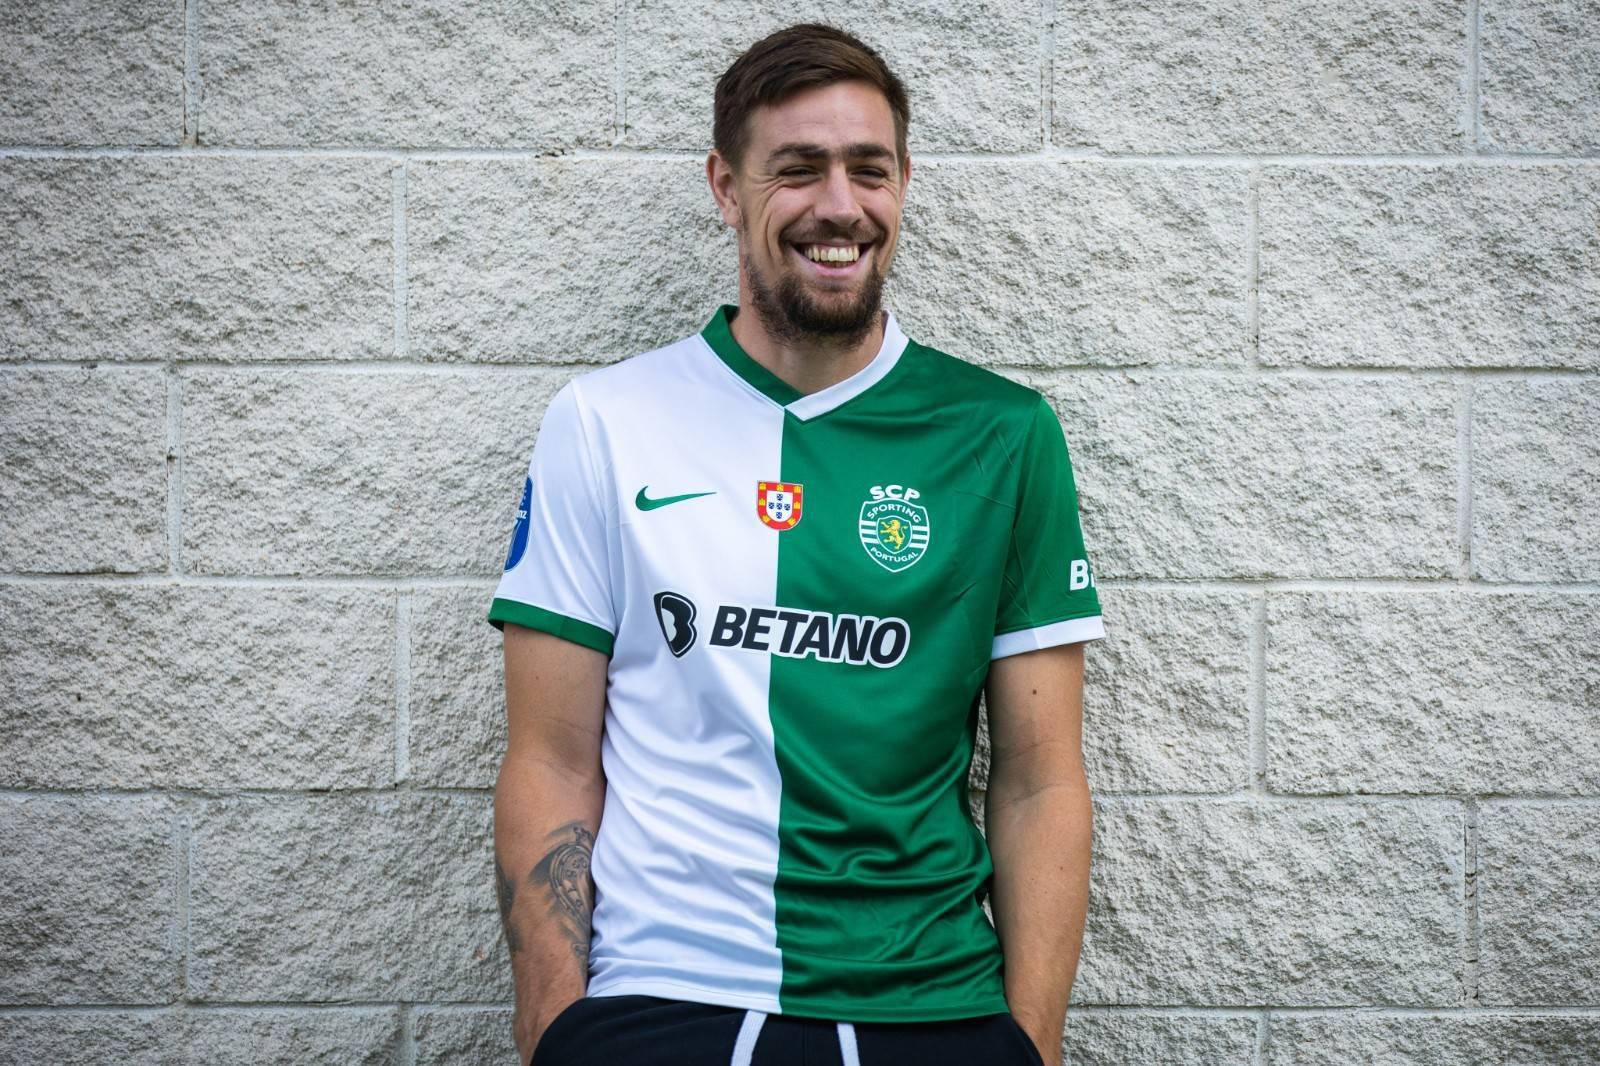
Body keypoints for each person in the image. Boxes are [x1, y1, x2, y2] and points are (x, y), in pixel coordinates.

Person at [488, 22, 1103, 1066]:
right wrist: (556, 1028)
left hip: (933, 1007)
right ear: (726, 187)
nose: (840, 205)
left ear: (903, 183)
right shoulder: (606, 421)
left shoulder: (1002, 434)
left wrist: (1030, 1047)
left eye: (868, 168)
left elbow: (1040, 777)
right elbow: (550, 757)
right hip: (663, 999)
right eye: (798, 168)